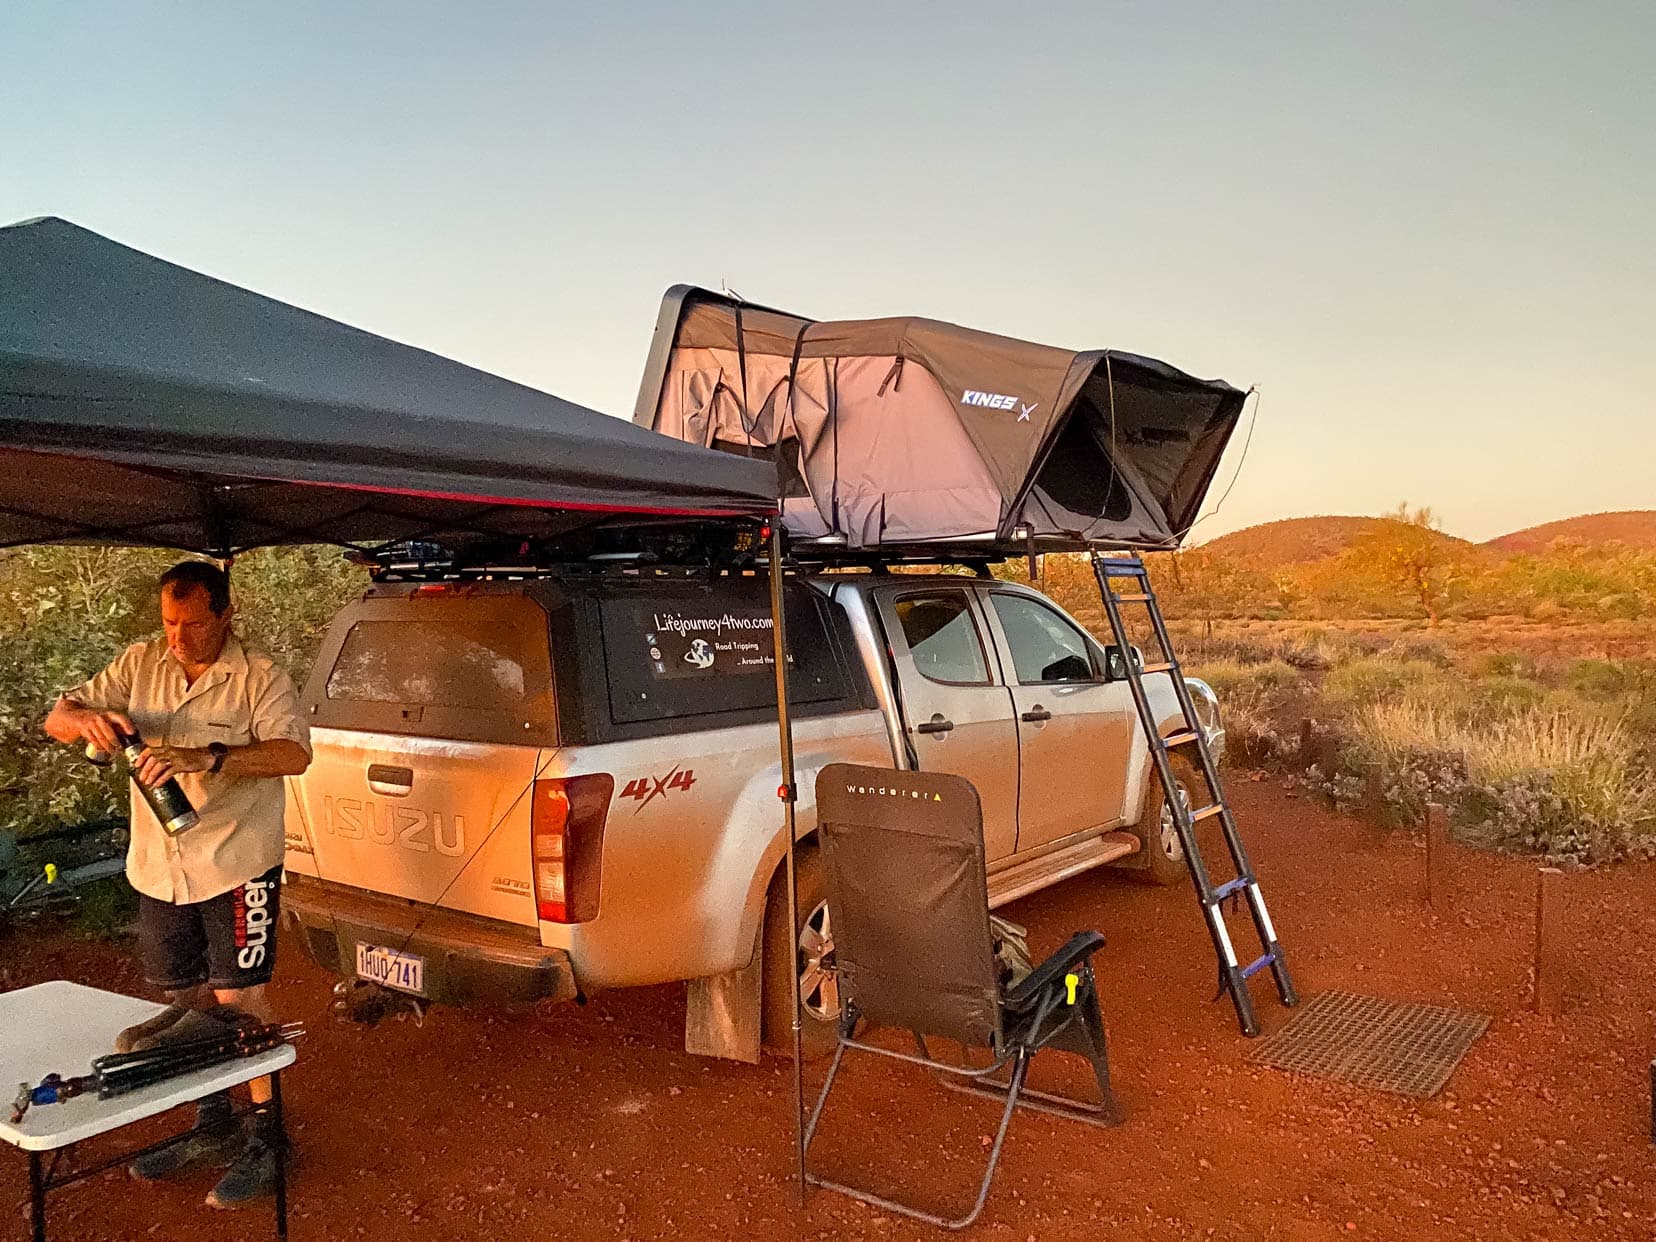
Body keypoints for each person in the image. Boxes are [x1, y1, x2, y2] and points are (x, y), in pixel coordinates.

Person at [43, 560, 311, 1209]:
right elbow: (59, 715)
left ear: (225, 615)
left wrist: (210, 757)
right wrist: (85, 723)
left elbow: (294, 754)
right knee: (186, 1000)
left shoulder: (259, 676)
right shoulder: (140, 663)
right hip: (159, 865)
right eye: (169, 622)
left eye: (193, 624)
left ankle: (267, 1138)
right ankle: (213, 1123)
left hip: (237, 860)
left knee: (238, 999)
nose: (179, 638)